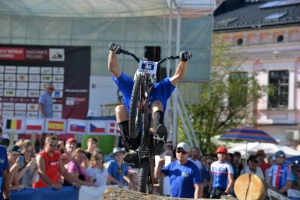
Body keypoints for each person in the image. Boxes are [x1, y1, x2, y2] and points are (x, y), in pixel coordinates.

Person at [108, 42, 192, 166]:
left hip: (152, 133)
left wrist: (183, 60)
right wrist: (113, 52)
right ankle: (131, 150)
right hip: (134, 135)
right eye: (141, 86)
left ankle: (157, 138)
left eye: (148, 86)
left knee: (157, 103)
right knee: (119, 109)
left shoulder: (161, 88)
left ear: (152, 84)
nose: (144, 89)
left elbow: (179, 75)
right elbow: (113, 69)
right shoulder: (130, 87)